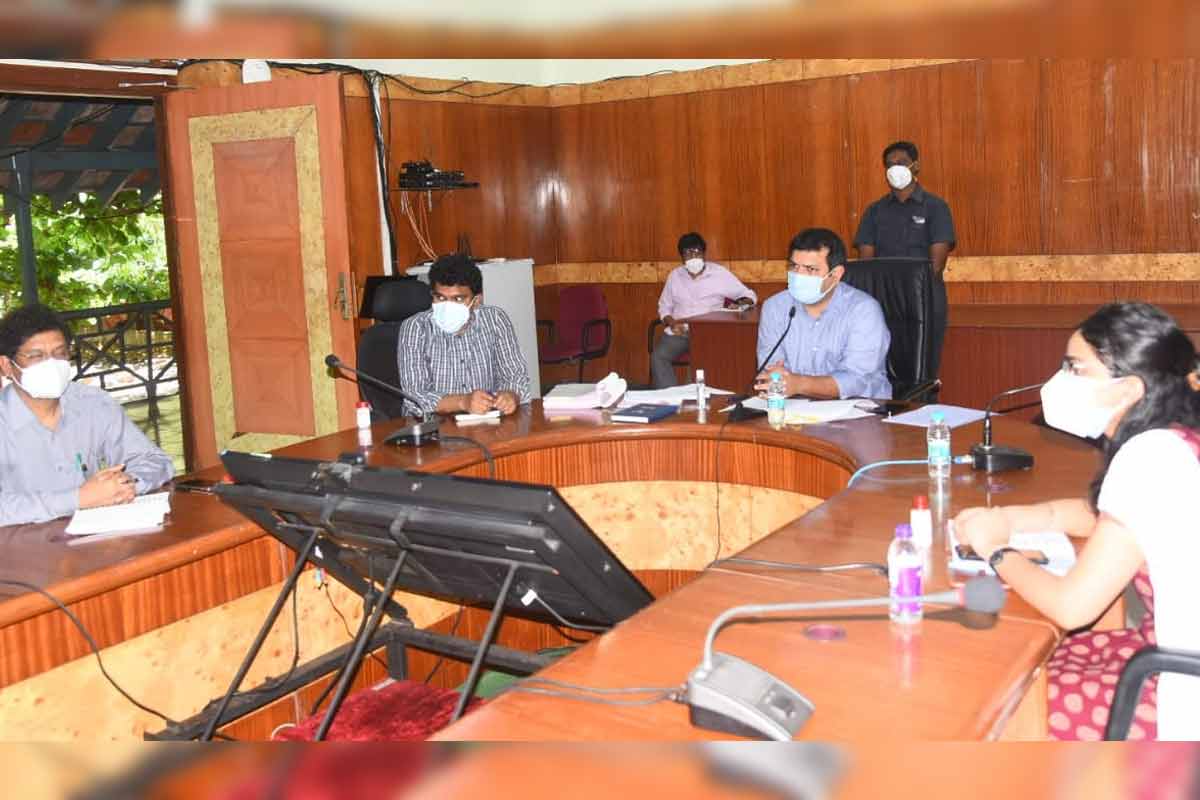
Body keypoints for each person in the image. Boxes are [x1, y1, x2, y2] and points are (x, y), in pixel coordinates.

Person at [955, 302, 1200, 741]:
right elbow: (1104, 515)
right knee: (1029, 665)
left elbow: (1072, 606)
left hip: (1177, 695)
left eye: (1075, 369)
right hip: (1167, 648)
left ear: (1128, 390)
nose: (1059, 381)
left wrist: (996, 550)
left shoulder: (1150, 458)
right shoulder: (1177, 436)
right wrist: (1016, 517)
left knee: (996, 702)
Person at [0, 304, 174, 526]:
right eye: (36, 356)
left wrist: (125, 484)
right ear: (7, 365)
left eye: (60, 353)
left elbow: (156, 461)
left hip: (95, 534)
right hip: (22, 542)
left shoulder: (92, 403)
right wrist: (78, 499)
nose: (51, 364)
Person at [853, 140, 955, 377]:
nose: (895, 168)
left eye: (901, 162)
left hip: (924, 300)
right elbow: (866, 265)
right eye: (890, 164)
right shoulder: (874, 211)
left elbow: (936, 266)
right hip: (883, 303)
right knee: (882, 369)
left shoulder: (935, 207)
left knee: (923, 370)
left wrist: (910, 291)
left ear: (915, 166)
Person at [754, 228, 891, 400]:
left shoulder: (863, 310)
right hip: (795, 407)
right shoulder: (774, 307)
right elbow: (772, 372)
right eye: (794, 266)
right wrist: (779, 380)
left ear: (836, 274)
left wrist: (799, 384)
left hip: (858, 408)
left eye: (810, 269)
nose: (799, 275)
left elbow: (857, 380)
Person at [397, 253, 530, 417]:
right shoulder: (415, 328)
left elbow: (516, 376)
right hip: (432, 424)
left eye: (458, 299)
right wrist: (463, 402)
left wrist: (511, 395)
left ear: (477, 300)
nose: (447, 306)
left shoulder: (495, 320)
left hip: (486, 421)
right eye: (440, 297)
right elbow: (414, 397)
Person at [652, 232, 757, 388]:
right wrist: (672, 323)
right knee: (658, 357)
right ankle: (670, 396)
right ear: (682, 258)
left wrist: (741, 304)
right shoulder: (675, 276)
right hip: (679, 331)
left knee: (699, 361)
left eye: (697, 252)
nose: (693, 257)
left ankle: (690, 397)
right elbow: (664, 306)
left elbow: (749, 295)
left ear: (704, 254)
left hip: (708, 332)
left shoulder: (719, 274)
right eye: (688, 254)